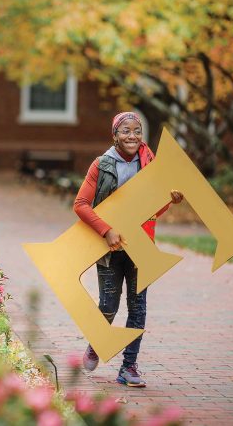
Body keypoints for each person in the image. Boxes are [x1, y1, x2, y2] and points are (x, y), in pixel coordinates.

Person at [72, 112, 183, 388]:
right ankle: (98, 341)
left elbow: (154, 207)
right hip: (109, 249)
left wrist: (169, 200)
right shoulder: (102, 165)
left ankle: (129, 367)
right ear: (115, 135)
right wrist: (106, 230)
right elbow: (81, 204)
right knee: (108, 306)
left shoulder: (150, 163)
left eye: (137, 130)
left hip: (140, 247)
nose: (132, 136)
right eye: (125, 131)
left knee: (138, 308)